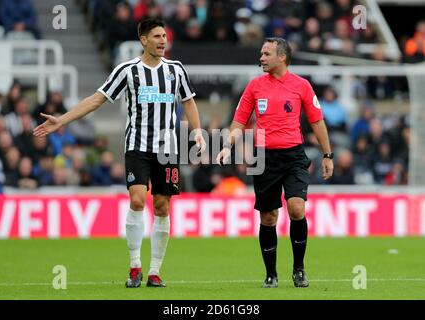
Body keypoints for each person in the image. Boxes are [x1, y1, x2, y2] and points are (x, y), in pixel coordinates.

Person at [33, 18, 206, 288]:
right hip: (137, 146)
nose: (163, 41)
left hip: (167, 150)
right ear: (143, 40)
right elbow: (96, 99)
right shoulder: (127, 71)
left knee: (162, 207)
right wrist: (62, 120)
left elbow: (189, 101)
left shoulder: (176, 70)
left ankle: (155, 271)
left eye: (165, 36)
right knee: (138, 201)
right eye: (157, 36)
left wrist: (197, 131)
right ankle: (135, 266)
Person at [217, 38, 333, 288]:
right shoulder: (254, 87)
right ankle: (271, 273)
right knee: (268, 217)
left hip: (293, 156)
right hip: (264, 158)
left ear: (282, 57)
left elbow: (317, 122)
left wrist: (327, 155)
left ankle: (299, 269)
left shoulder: (301, 86)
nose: (261, 57)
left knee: (296, 209)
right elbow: (239, 121)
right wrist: (228, 146)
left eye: (266, 53)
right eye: (261, 53)